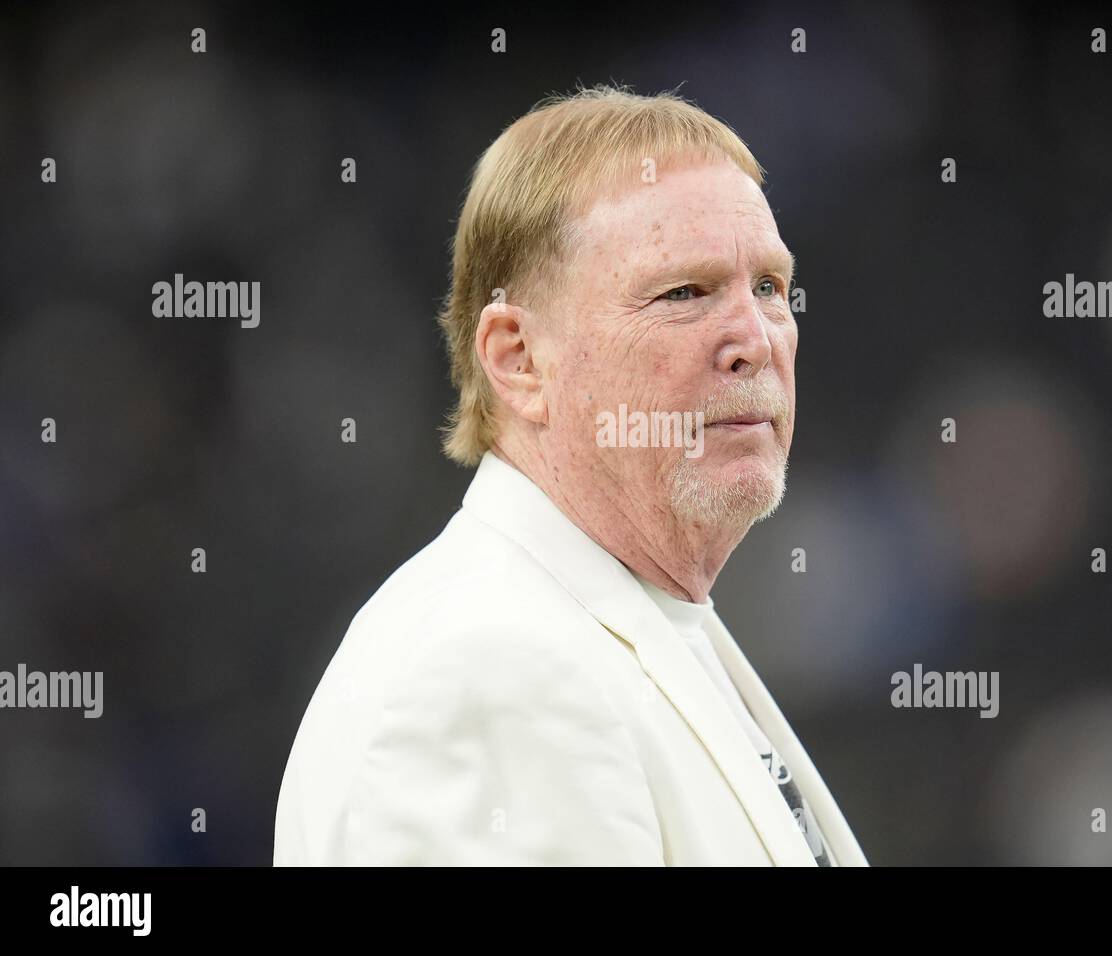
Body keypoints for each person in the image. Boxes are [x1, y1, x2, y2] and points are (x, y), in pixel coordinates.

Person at [274, 82, 869, 866]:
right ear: (518, 360)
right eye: (683, 292)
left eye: (768, 287)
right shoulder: (491, 667)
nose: (753, 339)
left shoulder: (632, 626)